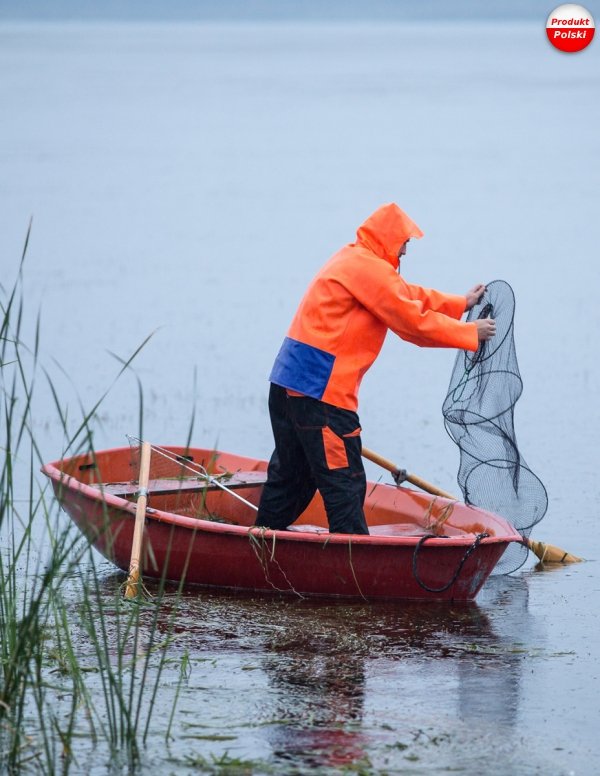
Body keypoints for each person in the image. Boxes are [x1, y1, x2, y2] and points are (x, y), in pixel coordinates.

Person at [255, 203, 496, 535]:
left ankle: (259, 541)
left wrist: (459, 304)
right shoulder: (369, 269)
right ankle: (353, 568)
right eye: (404, 243)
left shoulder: (354, 258)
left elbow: (404, 294)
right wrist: (470, 333)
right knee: (346, 484)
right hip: (321, 396)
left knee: (292, 477)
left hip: (287, 385)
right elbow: (413, 324)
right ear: (388, 239)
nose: (406, 251)